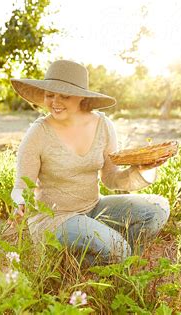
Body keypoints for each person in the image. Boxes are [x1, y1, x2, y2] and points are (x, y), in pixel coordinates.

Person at [10, 60, 170, 265]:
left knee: (157, 210)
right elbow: (22, 185)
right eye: (50, 95)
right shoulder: (38, 132)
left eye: (64, 96)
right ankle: (100, 258)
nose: (55, 102)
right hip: (54, 219)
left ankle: (117, 262)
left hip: (94, 208)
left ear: (81, 97)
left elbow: (111, 179)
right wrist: (20, 204)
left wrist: (141, 170)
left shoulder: (102, 125)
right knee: (117, 248)